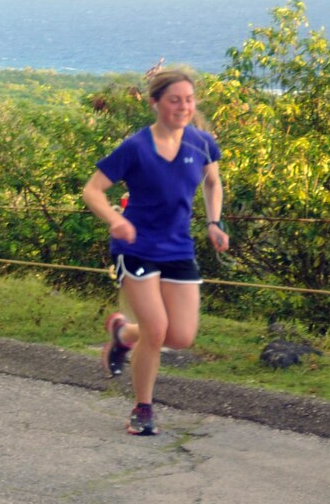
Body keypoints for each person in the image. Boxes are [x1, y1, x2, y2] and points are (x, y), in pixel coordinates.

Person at [82, 65, 228, 436]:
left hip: (178, 247)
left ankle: (123, 335)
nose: (183, 107)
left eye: (189, 100)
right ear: (155, 103)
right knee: (158, 330)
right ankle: (143, 409)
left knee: (181, 337)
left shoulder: (202, 143)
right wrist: (114, 220)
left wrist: (214, 223)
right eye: (174, 100)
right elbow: (92, 191)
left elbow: (213, 183)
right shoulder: (135, 147)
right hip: (136, 247)